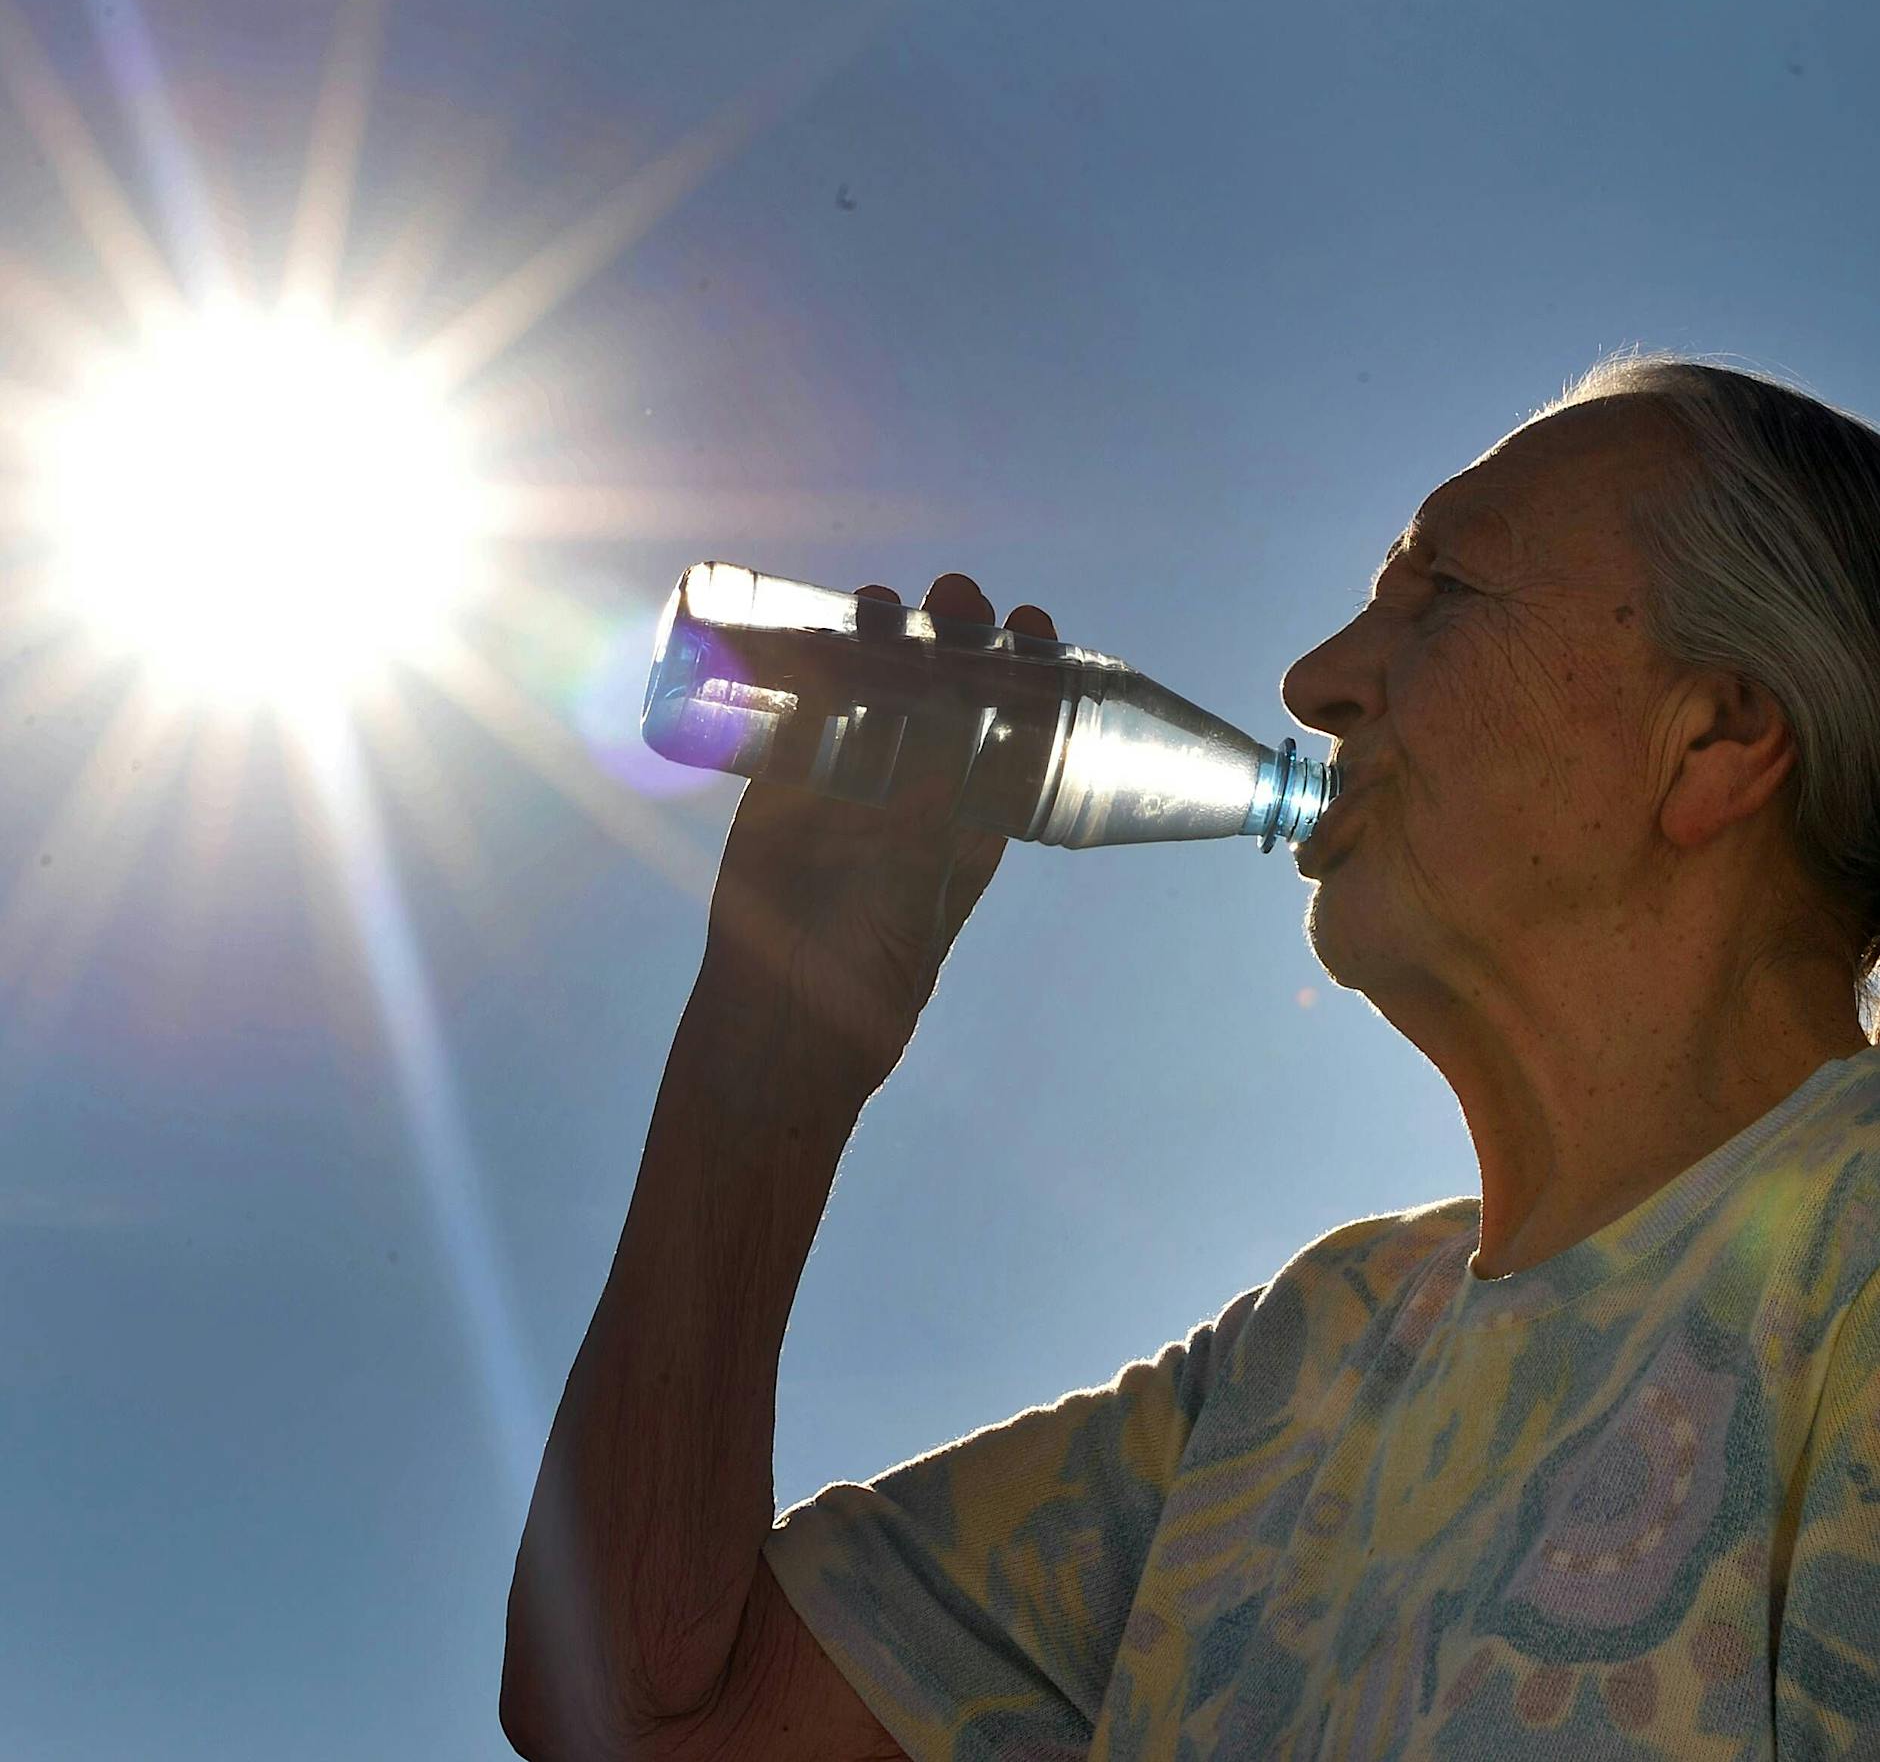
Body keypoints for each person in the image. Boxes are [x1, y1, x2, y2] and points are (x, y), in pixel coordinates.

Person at [499, 355, 1880, 1760]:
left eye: (1441, 593)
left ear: (1715, 736)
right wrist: (772, 1049)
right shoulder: (1310, 1357)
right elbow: (637, 1712)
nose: (1317, 681)